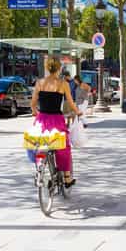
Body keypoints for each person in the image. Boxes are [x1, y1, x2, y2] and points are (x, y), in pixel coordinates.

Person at [29, 57, 81, 187]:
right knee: (63, 147)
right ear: (59, 68)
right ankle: (67, 178)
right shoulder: (63, 84)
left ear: (47, 67)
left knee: (37, 143)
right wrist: (78, 112)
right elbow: (70, 102)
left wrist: (35, 112)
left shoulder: (40, 83)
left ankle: (40, 168)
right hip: (56, 120)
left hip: (41, 120)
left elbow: (33, 103)